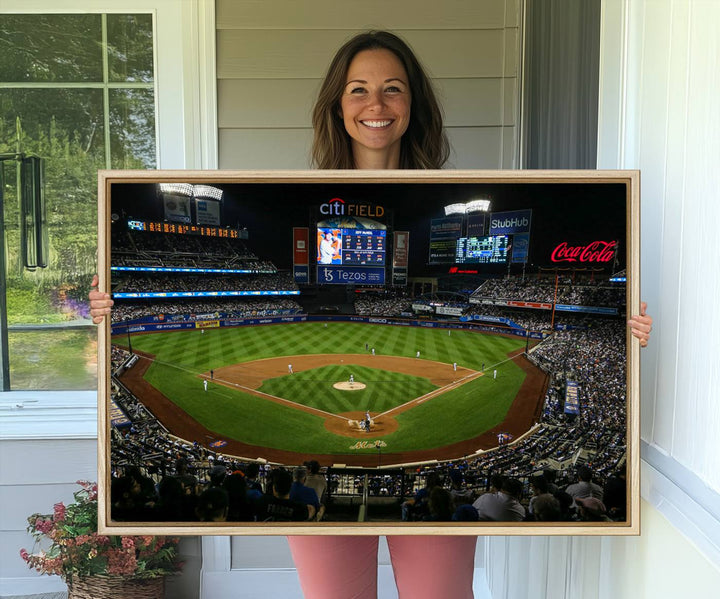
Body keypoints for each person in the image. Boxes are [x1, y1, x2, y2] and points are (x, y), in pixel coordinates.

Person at [89, 28, 654, 599]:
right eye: (358, 89)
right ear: (337, 104)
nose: (375, 104)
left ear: (414, 105)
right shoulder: (297, 186)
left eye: (393, 89)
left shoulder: (452, 191)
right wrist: (104, 306)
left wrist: (627, 332)